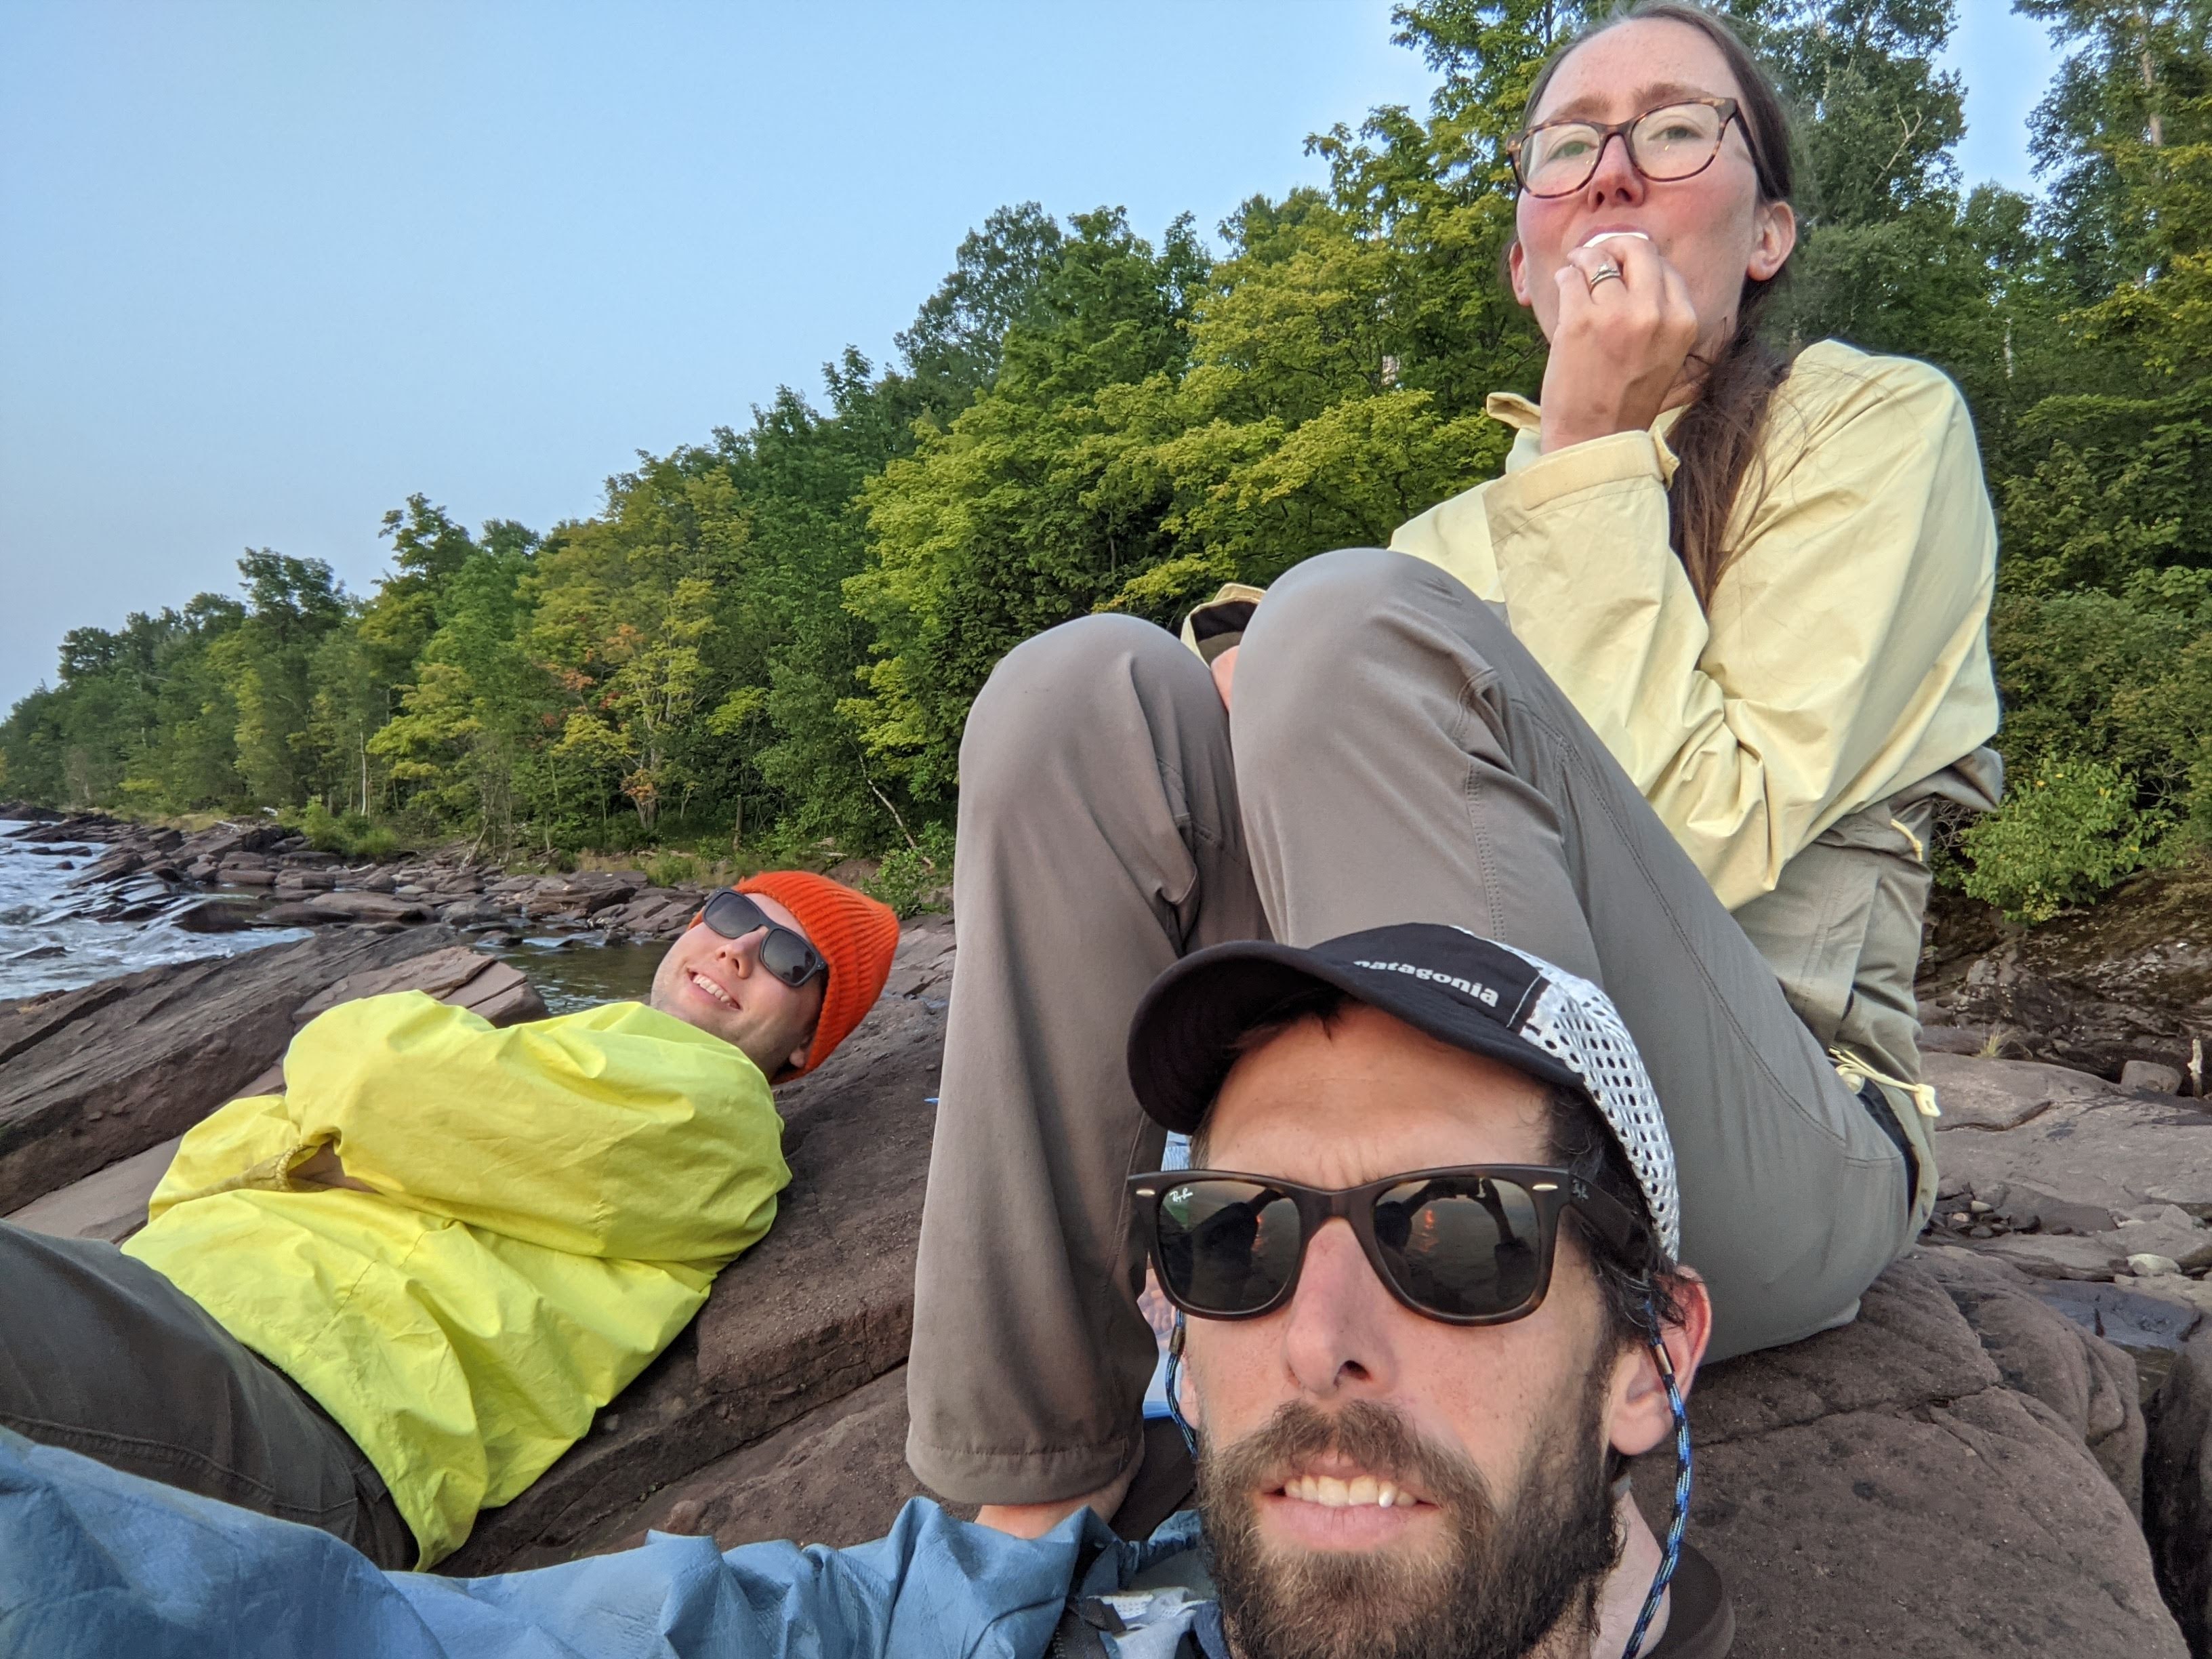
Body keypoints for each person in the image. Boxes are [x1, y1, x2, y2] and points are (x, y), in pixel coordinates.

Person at [905, 0, 2001, 1544]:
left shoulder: (1878, 425)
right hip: (1445, 1110)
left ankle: (1504, 1492)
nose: (1613, 168)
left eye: (1676, 129)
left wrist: (1585, 450)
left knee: (1344, 618)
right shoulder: (1447, 544)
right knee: (1080, 693)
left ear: (1767, 234)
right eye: (1570, 146)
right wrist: (1257, 678)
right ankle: (1033, 1481)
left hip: (1772, 1141)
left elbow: (1716, 828)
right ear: (1526, 263)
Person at [0, 924, 1729, 1659]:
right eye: (1238, 1241)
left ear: (1653, 1352)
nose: (1327, 1343)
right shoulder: (950, 1623)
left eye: (1459, 1238)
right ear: (1176, 1327)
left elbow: (351, 1073)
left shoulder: (699, 1113)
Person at [0, 871, 901, 1569]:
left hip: (314, 1401)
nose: (739, 952)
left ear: (806, 1041)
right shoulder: (567, 1051)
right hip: (175, 1307)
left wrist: (336, 1134)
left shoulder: (717, 1120)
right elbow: (211, 1156)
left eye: (790, 960)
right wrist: (376, 1142)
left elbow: (364, 1065)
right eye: (734, 915)